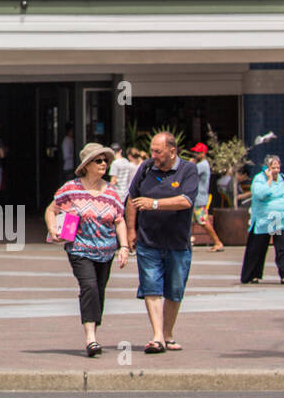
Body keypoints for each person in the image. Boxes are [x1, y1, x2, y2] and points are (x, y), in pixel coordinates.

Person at [45, 143, 128, 357]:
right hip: (80, 249)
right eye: (98, 160)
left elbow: (119, 220)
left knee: (99, 291)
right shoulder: (71, 188)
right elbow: (51, 210)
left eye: (105, 160)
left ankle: (93, 331)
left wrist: (125, 246)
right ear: (86, 165)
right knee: (89, 287)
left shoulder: (111, 191)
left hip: (106, 250)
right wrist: (53, 228)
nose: (103, 164)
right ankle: (91, 339)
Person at [125, 132, 198, 355]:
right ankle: (157, 336)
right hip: (149, 241)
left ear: (172, 151)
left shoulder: (188, 170)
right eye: (153, 150)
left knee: (175, 291)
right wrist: (130, 230)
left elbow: (185, 201)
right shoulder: (146, 168)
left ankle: (167, 334)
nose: (153, 155)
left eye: (158, 151)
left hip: (177, 242)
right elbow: (132, 198)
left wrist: (154, 203)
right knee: (151, 287)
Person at [240, 155, 284, 284]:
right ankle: (253, 275)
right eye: (273, 168)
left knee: (282, 247)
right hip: (264, 220)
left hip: (280, 219)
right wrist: (268, 180)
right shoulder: (259, 179)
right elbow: (259, 195)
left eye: (278, 167)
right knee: (258, 248)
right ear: (267, 168)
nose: (276, 170)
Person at [189, 142, 224, 252]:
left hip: (199, 199)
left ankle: (217, 242)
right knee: (190, 221)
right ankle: (188, 241)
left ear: (203, 153)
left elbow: (190, 172)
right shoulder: (201, 164)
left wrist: (191, 163)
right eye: (195, 152)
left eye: (198, 152)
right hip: (195, 198)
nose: (195, 154)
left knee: (203, 221)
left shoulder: (203, 165)